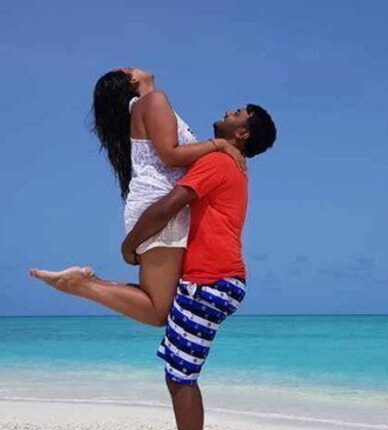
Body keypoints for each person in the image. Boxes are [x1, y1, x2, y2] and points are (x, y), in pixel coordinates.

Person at [121, 104, 277, 430]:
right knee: (178, 373)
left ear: (242, 133)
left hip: (209, 280)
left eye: (237, 113)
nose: (228, 111)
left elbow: (168, 206)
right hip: (217, 280)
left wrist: (131, 243)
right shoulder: (232, 163)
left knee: (182, 377)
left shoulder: (219, 162)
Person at [30, 67, 244, 326]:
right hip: (161, 208)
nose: (135, 66)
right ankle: (79, 284)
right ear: (132, 80)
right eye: (129, 69)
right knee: (158, 311)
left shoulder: (148, 105)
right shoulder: (154, 100)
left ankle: (84, 283)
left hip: (161, 206)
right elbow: (170, 155)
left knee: (161, 306)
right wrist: (219, 144)